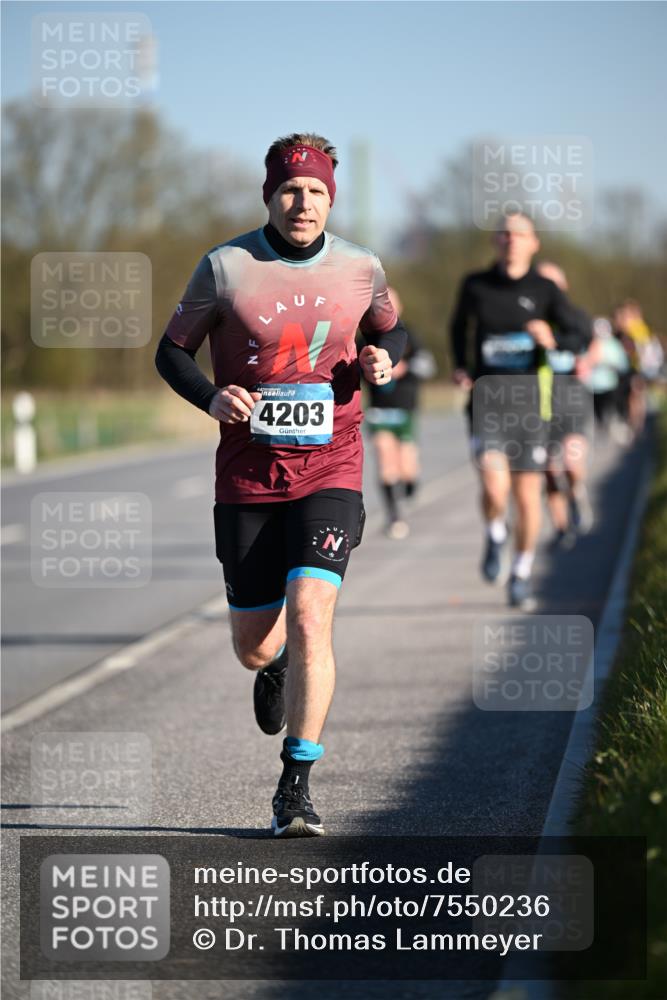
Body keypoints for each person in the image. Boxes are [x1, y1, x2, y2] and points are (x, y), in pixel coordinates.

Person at [155, 133, 406, 837]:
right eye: (290, 190)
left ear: (331, 198)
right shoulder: (226, 267)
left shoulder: (360, 267)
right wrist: (210, 398)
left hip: (331, 467)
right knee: (255, 647)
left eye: (317, 191)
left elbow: (396, 331)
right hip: (247, 478)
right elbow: (170, 352)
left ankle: (294, 785)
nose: (303, 202)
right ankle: (279, 669)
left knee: (310, 614)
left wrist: (384, 360)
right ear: (269, 195)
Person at [449, 212, 591, 609]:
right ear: (495, 241)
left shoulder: (545, 289)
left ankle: (522, 571)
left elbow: (579, 333)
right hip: (487, 403)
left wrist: (554, 337)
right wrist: (461, 365)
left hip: (531, 408)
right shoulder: (475, 284)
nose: (511, 239)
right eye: (504, 233)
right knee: (495, 487)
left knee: (528, 498)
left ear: (534, 242)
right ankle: (495, 532)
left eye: (519, 234)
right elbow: (459, 327)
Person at [364, 286, 436, 538]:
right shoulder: (366, 336)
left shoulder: (409, 335)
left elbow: (428, 366)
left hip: (405, 408)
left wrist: (405, 367)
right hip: (378, 410)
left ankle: (409, 488)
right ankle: (394, 515)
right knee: (385, 459)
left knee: (406, 467)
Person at [535, 261, 594, 550]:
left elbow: (593, 341)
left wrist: (587, 361)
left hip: (571, 398)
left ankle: (577, 493)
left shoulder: (576, 316)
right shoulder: (530, 318)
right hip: (539, 402)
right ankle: (560, 527)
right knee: (549, 470)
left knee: (570, 462)